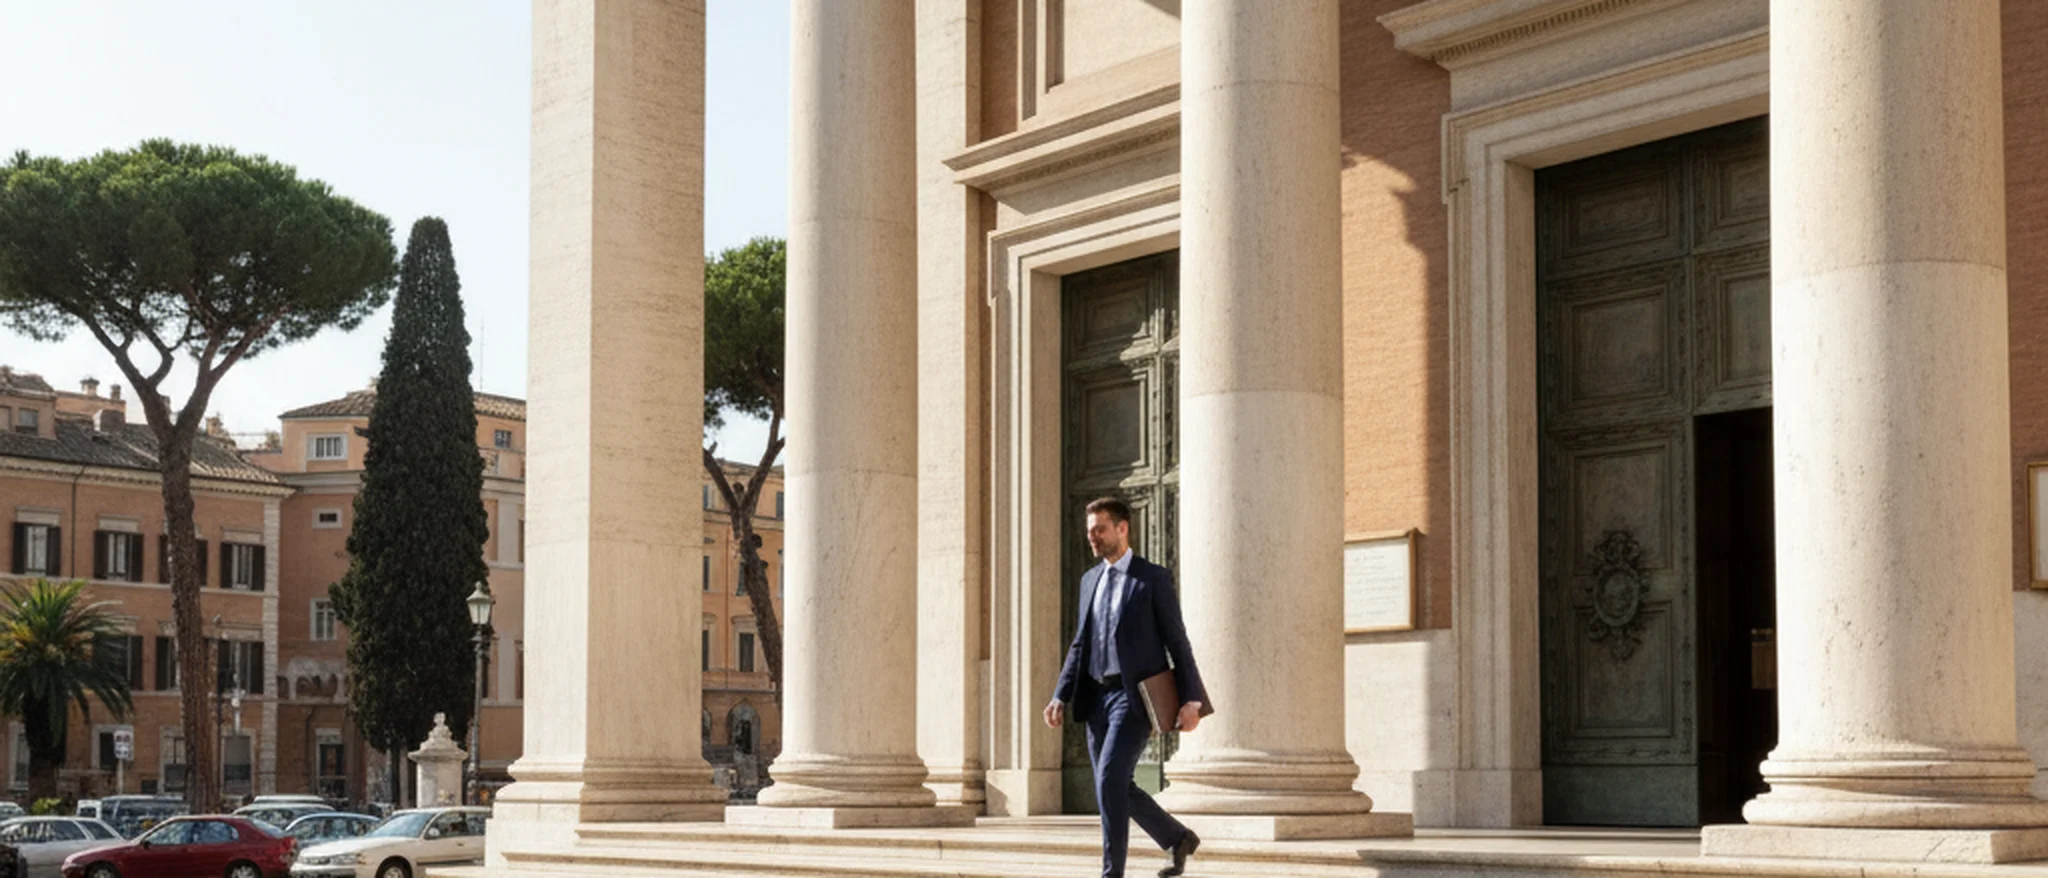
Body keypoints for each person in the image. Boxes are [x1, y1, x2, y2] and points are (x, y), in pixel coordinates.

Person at [1045, 497, 1214, 878]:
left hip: (1133, 697)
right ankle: (1177, 838)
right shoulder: (1089, 580)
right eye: (1090, 531)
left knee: (1109, 780)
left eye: (1100, 530)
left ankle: (1112, 874)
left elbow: (1177, 640)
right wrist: (1060, 694)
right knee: (1114, 784)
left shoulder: (1151, 578)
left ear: (1123, 529)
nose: (1093, 538)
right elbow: (1080, 644)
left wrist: (1193, 699)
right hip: (1095, 697)